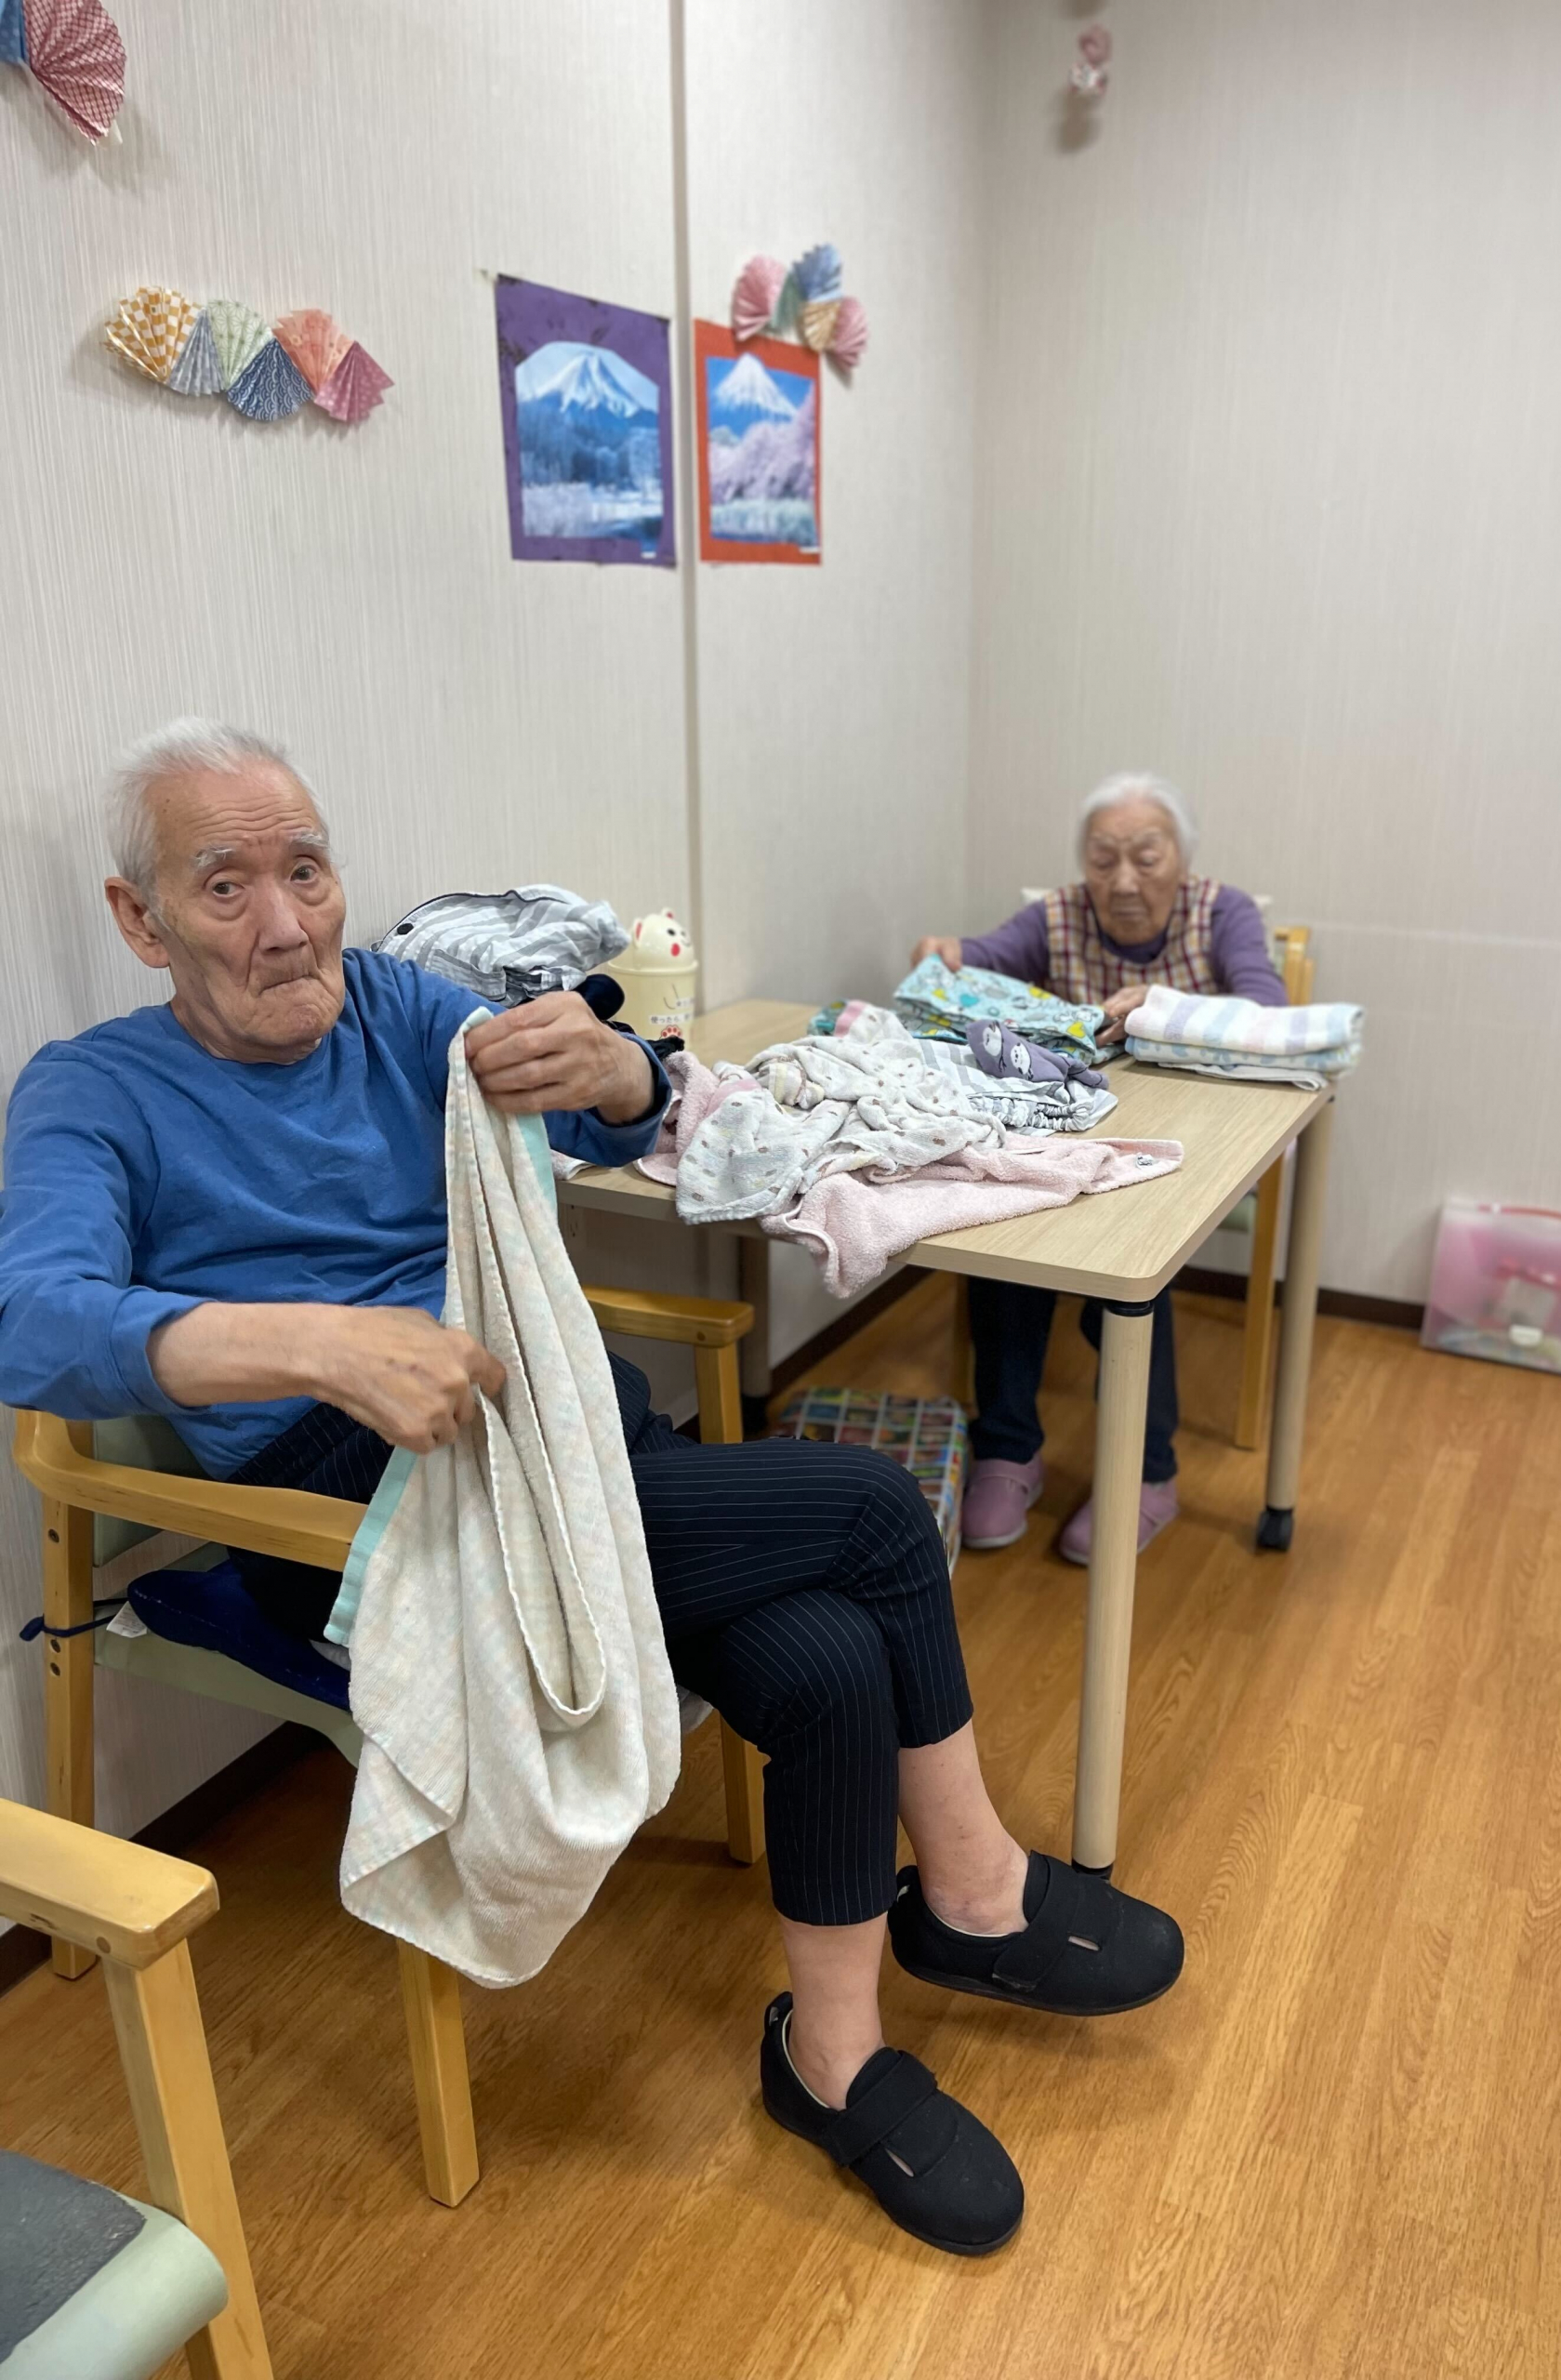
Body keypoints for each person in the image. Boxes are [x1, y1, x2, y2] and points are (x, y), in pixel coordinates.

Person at [0, 722, 1182, 2259]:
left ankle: (832, 2061)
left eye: (307, 872)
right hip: (357, 1519)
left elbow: (609, 1114)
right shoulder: (94, 1091)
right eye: (225, 887)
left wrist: (621, 1069)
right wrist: (316, 1345)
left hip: (565, 1456)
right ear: (142, 918)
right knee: (875, 1514)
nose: (284, 925)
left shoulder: (401, 1013)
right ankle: (976, 1897)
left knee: (829, 1658)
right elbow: (33, 1320)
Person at [912, 771, 1287, 1564]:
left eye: (1145, 858)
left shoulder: (1224, 913)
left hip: (1190, 1150)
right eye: (1103, 858)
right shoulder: (1058, 914)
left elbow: (1266, 1011)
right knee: (1001, 1237)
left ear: (1182, 858)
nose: (1122, 881)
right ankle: (1008, 1451)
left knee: (1129, 1264)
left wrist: (1167, 1006)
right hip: (1075, 1142)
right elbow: (982, 960)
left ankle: (1148, 1475)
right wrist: (947, 957)